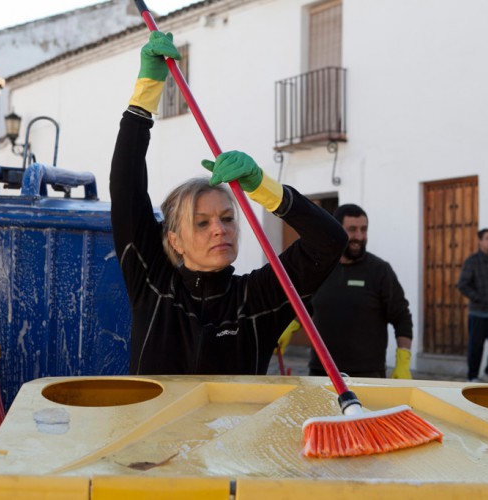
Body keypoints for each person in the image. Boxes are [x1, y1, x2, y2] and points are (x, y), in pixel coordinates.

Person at [110, 31, 347, 375]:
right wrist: (146, 92)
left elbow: (330, 241)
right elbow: (127, 186)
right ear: (174, 240)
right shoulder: (152, 282)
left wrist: (264, 187)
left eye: (227, 218)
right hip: (157, 430)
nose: (220, 230)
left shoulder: (260, 297)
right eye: (202, 222)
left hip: (237, 432)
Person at [306, 204, 414, 379]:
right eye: (352, 229)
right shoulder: (319, 269)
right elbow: (305, 307)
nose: (359, 236)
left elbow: (402, 317)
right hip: (321, 373)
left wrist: (403, 362)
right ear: (336, 230)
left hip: (368, 376)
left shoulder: (380, 271)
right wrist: (289, 327)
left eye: (364, 229)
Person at [456, 228, 488, 382]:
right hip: (478, 313)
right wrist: (478, 298)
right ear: (480, 240)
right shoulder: (472, 262)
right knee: (476, 348)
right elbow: (462, 285)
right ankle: (472, 378)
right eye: (487, 238)